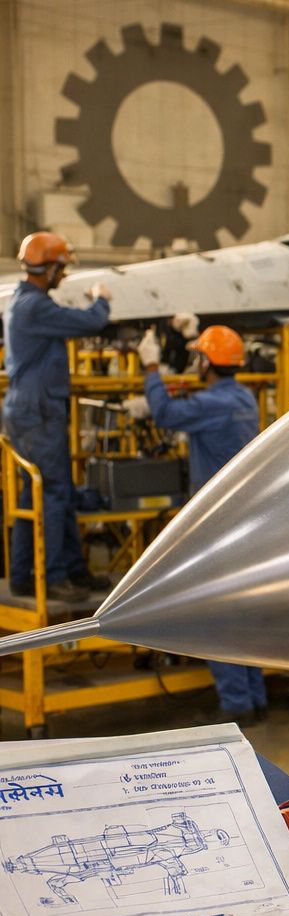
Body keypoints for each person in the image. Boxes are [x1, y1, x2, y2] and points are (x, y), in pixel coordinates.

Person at [128, 322, 263, 721]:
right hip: (243, 520)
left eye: (199, 358)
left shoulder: (212, 404)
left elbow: (165, 414)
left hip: (214, 525)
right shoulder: (244, 398)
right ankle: (255, 698)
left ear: (206, 362)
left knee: (216, 614)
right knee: (242, 611)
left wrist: (151, 370)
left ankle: (237, 704)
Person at [3, 232, 113, 602]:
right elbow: (90, 323)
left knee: (41, 492)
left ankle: (41, 573)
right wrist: (101, 299)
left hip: (34, 410)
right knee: (52, 492)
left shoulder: (24, 302)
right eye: (61, 269)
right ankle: (52, 577)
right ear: (48, 268)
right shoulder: (34, 307)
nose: (63, 276)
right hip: (38, 412)